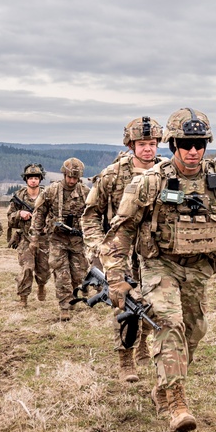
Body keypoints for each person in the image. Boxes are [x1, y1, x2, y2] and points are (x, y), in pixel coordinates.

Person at [99, 107, 216, 432]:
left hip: (199, 268)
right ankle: (176, 403)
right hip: (159, 264)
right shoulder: (151, 181)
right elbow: (122, 231)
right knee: (169, 323)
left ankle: (163, 385)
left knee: (193, 332)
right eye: (186, 143)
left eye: (200, 143)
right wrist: (115, 277)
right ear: (173, 145)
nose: (193, 150)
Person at [82, 116, 164, 382]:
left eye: (152, 143)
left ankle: (143, 346)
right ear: (131, 145)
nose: (148, 149)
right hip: (121, 251)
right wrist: (98, 246)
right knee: (125, 304)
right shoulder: (113, 174)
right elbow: (90, 214)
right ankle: (125, 359)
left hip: (153, 251)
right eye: (142, 144)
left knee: (154, 302)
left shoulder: (165, 172)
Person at [32, 157, 89, 321]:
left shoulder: (85, 193)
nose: (71, 180)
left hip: (77, 240)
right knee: (61, 272)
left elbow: (93, 215)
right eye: (69, 176)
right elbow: (39, 213)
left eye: (75, 178)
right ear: (64, 174)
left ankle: (73, 294)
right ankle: (64, 306)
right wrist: (35, 236)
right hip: (57, 238)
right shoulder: (51, 191)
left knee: (78, 274)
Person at [9, 163, 50, 306]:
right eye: (30, 178)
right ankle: (23, 298)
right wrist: (19, 214)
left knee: (44, 270)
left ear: (40, 179)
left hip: (43, 239)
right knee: (27, 268)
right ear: (26, 180)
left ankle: (41, 286)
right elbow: (9, 218)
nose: (33, 180)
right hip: (25, 238)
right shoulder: (19, 196)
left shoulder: (47, 195)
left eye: (36, 178)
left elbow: (56, 214)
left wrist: (47, 224)